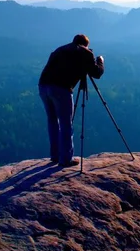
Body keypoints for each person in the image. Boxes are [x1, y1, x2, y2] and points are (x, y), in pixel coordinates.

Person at [38, 34, 105, 167]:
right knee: (65, 124)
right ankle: (66, 159)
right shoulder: (85, 53)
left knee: (52, 120)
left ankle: (55, 156)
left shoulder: (60, 49)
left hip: (43, 86)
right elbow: (96, 73)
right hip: (61, 89)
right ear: (86, 45)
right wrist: (100, 61)